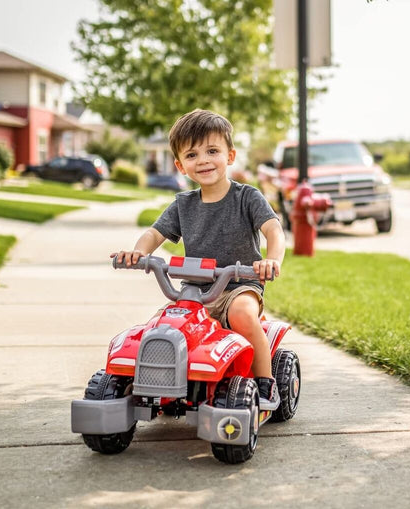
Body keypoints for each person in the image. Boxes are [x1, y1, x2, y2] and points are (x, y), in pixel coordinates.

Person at [112, 109, 286, 410]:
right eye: (192, 155)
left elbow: (274, 230)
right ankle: (159, 385)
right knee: (162, 325)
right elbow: (154, 234)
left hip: (237, 285)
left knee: (243, 315)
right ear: (180, 165)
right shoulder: (183, 204)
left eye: (212, 151)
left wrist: (271, 260)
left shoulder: (247, 197)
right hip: (194, 292)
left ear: (230, 156)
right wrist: (139, 253)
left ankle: (265, 383)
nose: (203, 160)